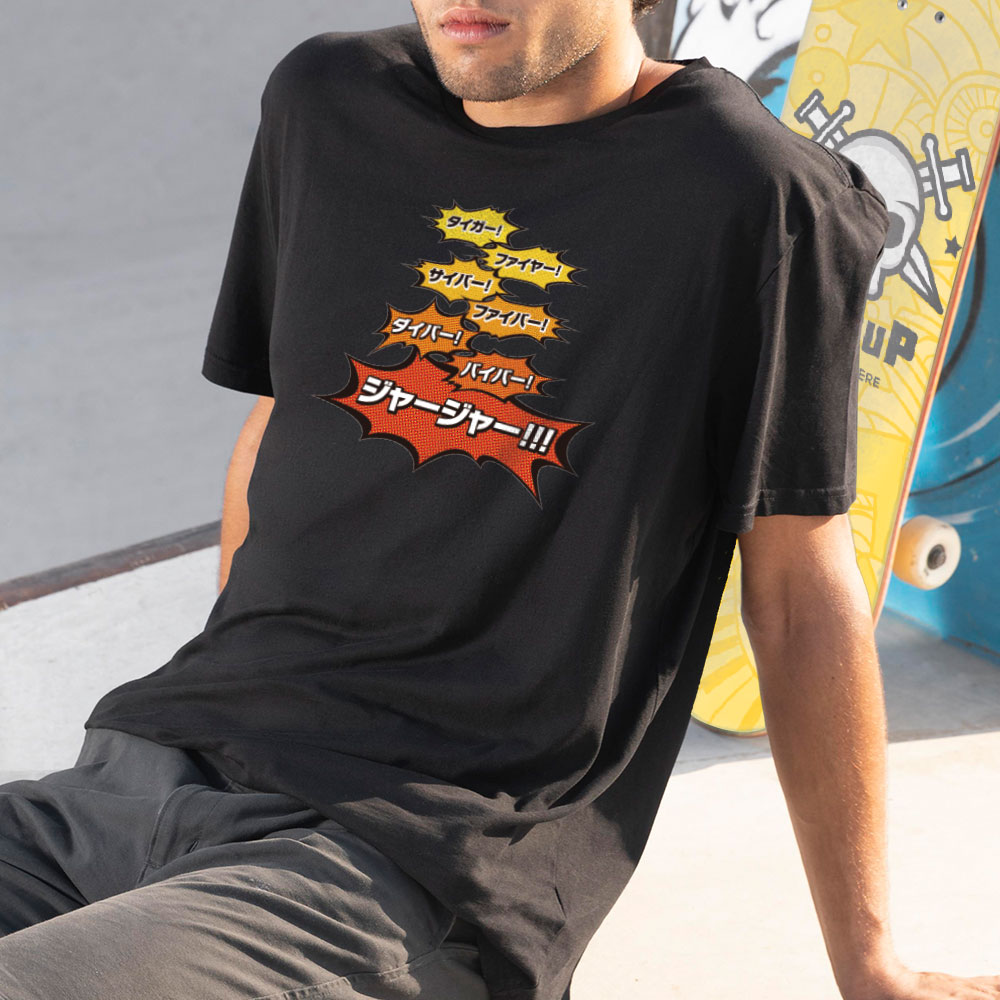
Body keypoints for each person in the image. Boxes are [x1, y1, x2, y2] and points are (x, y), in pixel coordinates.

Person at [1, 2, 997, 999]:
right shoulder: (326, 105)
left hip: (403, 861)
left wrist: (870, 966)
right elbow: (279, 421)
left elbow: (798, 592)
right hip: (140, 773)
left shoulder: (754, 196)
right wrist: (247, 685)